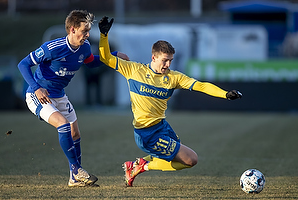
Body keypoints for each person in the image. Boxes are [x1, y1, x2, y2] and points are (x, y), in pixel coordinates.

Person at [98, 16, 242, 187]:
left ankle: (135, 165)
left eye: (170, 61)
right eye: (164, 60)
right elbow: (105, 57)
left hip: (162, 127)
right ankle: (141, 166)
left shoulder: (173, 78)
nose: (167, 64)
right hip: (146, 133)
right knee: (191, 159)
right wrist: (103, 35)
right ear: (153, 57)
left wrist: (225, 94)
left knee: (178, 157)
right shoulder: (134, 70)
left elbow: (201, 86)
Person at [17, 10, 129, 187]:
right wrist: (37, 88)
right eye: (84, 31)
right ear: (72, 29)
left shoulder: (84, 48)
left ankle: (74, 177)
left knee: (75, 132)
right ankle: (77, 169)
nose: (87, 35)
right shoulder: (52, 48)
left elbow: (91, 62)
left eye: (88, 31)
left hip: (59, 95)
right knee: (63, 125)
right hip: (38, 95)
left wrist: (114, 56)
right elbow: (23, 64)